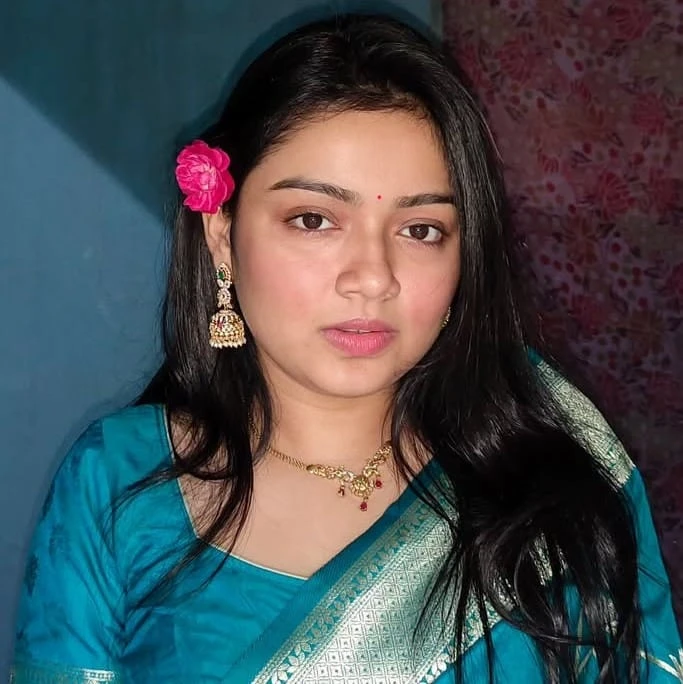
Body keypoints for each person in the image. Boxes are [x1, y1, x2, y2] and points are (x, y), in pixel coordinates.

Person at [10, 13, 681, 684]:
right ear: (221, 234)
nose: (373, 277)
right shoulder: (119, 482)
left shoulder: (556, 475)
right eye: (314, 220)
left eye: (420, 230)